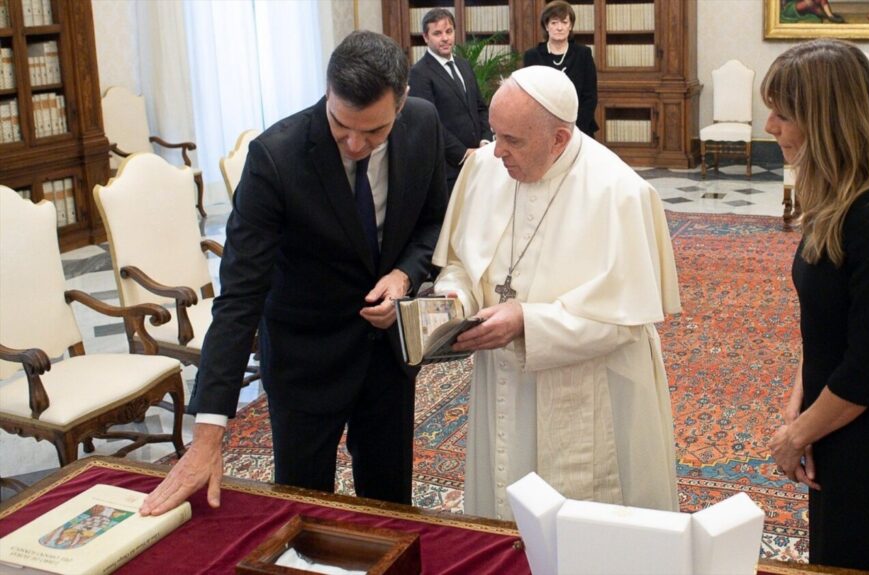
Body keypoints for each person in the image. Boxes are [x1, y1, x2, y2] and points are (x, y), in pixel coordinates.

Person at [139, 31, 449, 516]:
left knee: (389, 510)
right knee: (300, 513)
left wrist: (405, 276)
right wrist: (208, 430)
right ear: (327, 94)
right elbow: (240, 295)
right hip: (306, 359)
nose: (354, 143)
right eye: (341, 125)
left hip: (387, 358)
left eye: (373, 132)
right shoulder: (275, 159)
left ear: (402, 102)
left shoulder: (424, 124)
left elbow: (434, 221)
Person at [432, 65, 680, 520]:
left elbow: (623, 323)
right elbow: (460, 264)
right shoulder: (486, 169)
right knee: (501, 515)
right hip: (502, 381)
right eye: (495, 134)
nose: (497, 151)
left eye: (514, 141)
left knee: (584, 530)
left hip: (587, 392)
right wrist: (455, 302)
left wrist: (527, 321)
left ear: (560, 139)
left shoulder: (619, 192)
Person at [763, 39, 869, 574]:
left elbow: (866, 369)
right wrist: (801, 401)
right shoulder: (835, 198)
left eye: (782, 115)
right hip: (832, 419)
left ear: (825, 120)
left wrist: (796, 436)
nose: (770, 127)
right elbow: (825, 328)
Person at [409, 8, 492, 193]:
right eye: (437, 33)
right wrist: (463, 153)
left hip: (480, 160)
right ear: (425, 37)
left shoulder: (463, 65)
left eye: (449, 31)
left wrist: (485, 142)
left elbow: (480, 107)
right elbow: (430, 124)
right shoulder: (419, 73)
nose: (445, 38)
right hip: (449, 168)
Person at [522, 1, 598, 138]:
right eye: (554, 23)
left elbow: (590, 97)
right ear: (546, 26)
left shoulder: (583, 54)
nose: (559, 28)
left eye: (564, 22)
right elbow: (529, 97)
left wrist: (573, 130)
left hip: (579, 128)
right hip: (542, 130)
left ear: (570, 26)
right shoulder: (532, 56)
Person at [780, 0, 846, 23]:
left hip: (800, 3)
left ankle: (830, 16)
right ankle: (824, 14)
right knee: (808, 4)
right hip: (789, 7)